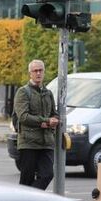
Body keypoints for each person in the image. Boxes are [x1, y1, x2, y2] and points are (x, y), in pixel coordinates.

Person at [13, 59, 59, 190]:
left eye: (41, 70)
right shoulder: (23, 92)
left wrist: (54, 120)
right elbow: (23, 116)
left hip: (46, 142)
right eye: (35, 71)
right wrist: (44, 121)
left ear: (44, 72)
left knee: (47, 175)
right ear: (30, 73)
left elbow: (53, 113)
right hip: (29, 142)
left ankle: (29, 199)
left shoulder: (48, 93)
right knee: (26, 179)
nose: (38, 73)